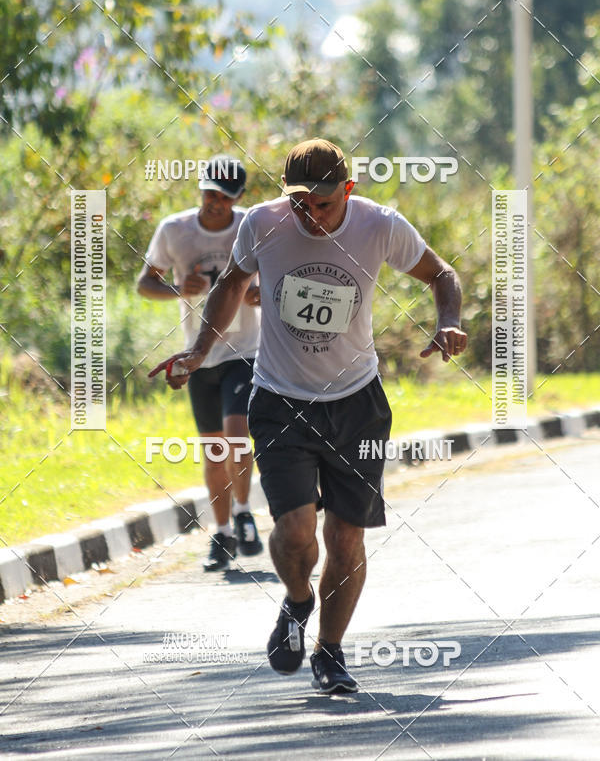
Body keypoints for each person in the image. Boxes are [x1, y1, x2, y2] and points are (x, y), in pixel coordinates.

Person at [149, 137, 467, 693]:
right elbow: (231, 286)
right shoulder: (262, 224)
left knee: (346, 538)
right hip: (279, 400)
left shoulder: (380, 225)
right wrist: (199, 351)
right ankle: (298, 602)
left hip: (357, 404)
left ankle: (331, 651)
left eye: (323, 204)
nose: (311, 216)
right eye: (300, 203)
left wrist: (447, 321)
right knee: (296, 534)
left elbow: (443, 274)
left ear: (347, 190)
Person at [138, 156, 263, 571]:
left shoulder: (252, 225)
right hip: (197, 354)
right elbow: (144, 283)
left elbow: (277, 280)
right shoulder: (175, 230)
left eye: (224, 197)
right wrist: (177, 289)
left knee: (235, 432)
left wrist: (256, 294)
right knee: (213, 451)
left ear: (239, 198)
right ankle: (223, 532)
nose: (214, 202)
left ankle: (245, 509)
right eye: (209, 193)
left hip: (245, 349)